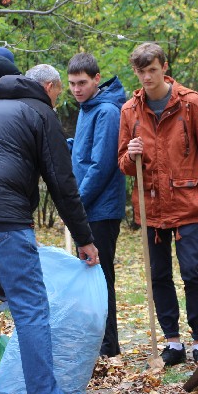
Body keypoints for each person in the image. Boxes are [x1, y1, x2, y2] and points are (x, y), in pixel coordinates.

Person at [0, 64, 104, 394]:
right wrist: (84, 238)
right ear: (48, 87)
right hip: (3, 214)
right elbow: (62, 182)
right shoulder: (39, 112)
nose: (59, 98)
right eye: (59, 91)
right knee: (32, 306)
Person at [117, 42, 198, 366]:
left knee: (193, 273)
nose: (147, 77)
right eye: (141, 71)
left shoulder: (192, 104)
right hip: (151, 207)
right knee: (158, 275)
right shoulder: (129, 112)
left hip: (187, 205)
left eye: (152, 70)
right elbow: (122, 163)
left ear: (164, 67)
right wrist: (130, 155)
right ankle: (173, 343)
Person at [66, 52, 127, 357]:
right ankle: (97, 340)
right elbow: (83, 150)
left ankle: (108, 344)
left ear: (96, 80)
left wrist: (75, 203)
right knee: (88, 276)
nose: (76, 89)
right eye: (72, 84)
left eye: (82, 83)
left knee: (100, 276)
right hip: (87, 207)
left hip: (101, 208)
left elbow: (102, 166)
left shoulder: (106, 112)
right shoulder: (86, 108)